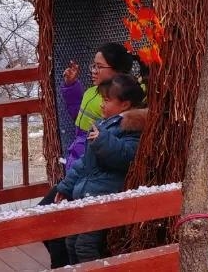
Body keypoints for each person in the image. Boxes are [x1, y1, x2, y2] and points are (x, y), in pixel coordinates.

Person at [42, 42, 136, 267]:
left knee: (63, 235)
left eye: (99, 66)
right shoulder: (96, 93)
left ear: (117, 71)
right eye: (93, 66)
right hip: (79, 174)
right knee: (52, 228)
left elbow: (119, 149)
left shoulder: (119, 106)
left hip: (91, 181)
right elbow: (78, 114)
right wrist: (72, 86)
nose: (93, 71)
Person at [54, 74, 146, 263]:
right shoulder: (105, 124)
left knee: (85, 246)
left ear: (125, 104)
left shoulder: (132, 126)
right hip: (87, 193)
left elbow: (126, 156)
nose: (102, 104)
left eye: (107, 100)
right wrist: (65, 187)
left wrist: (102, 140)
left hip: (103, 194)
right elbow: (84, 163)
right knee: (71, 242)